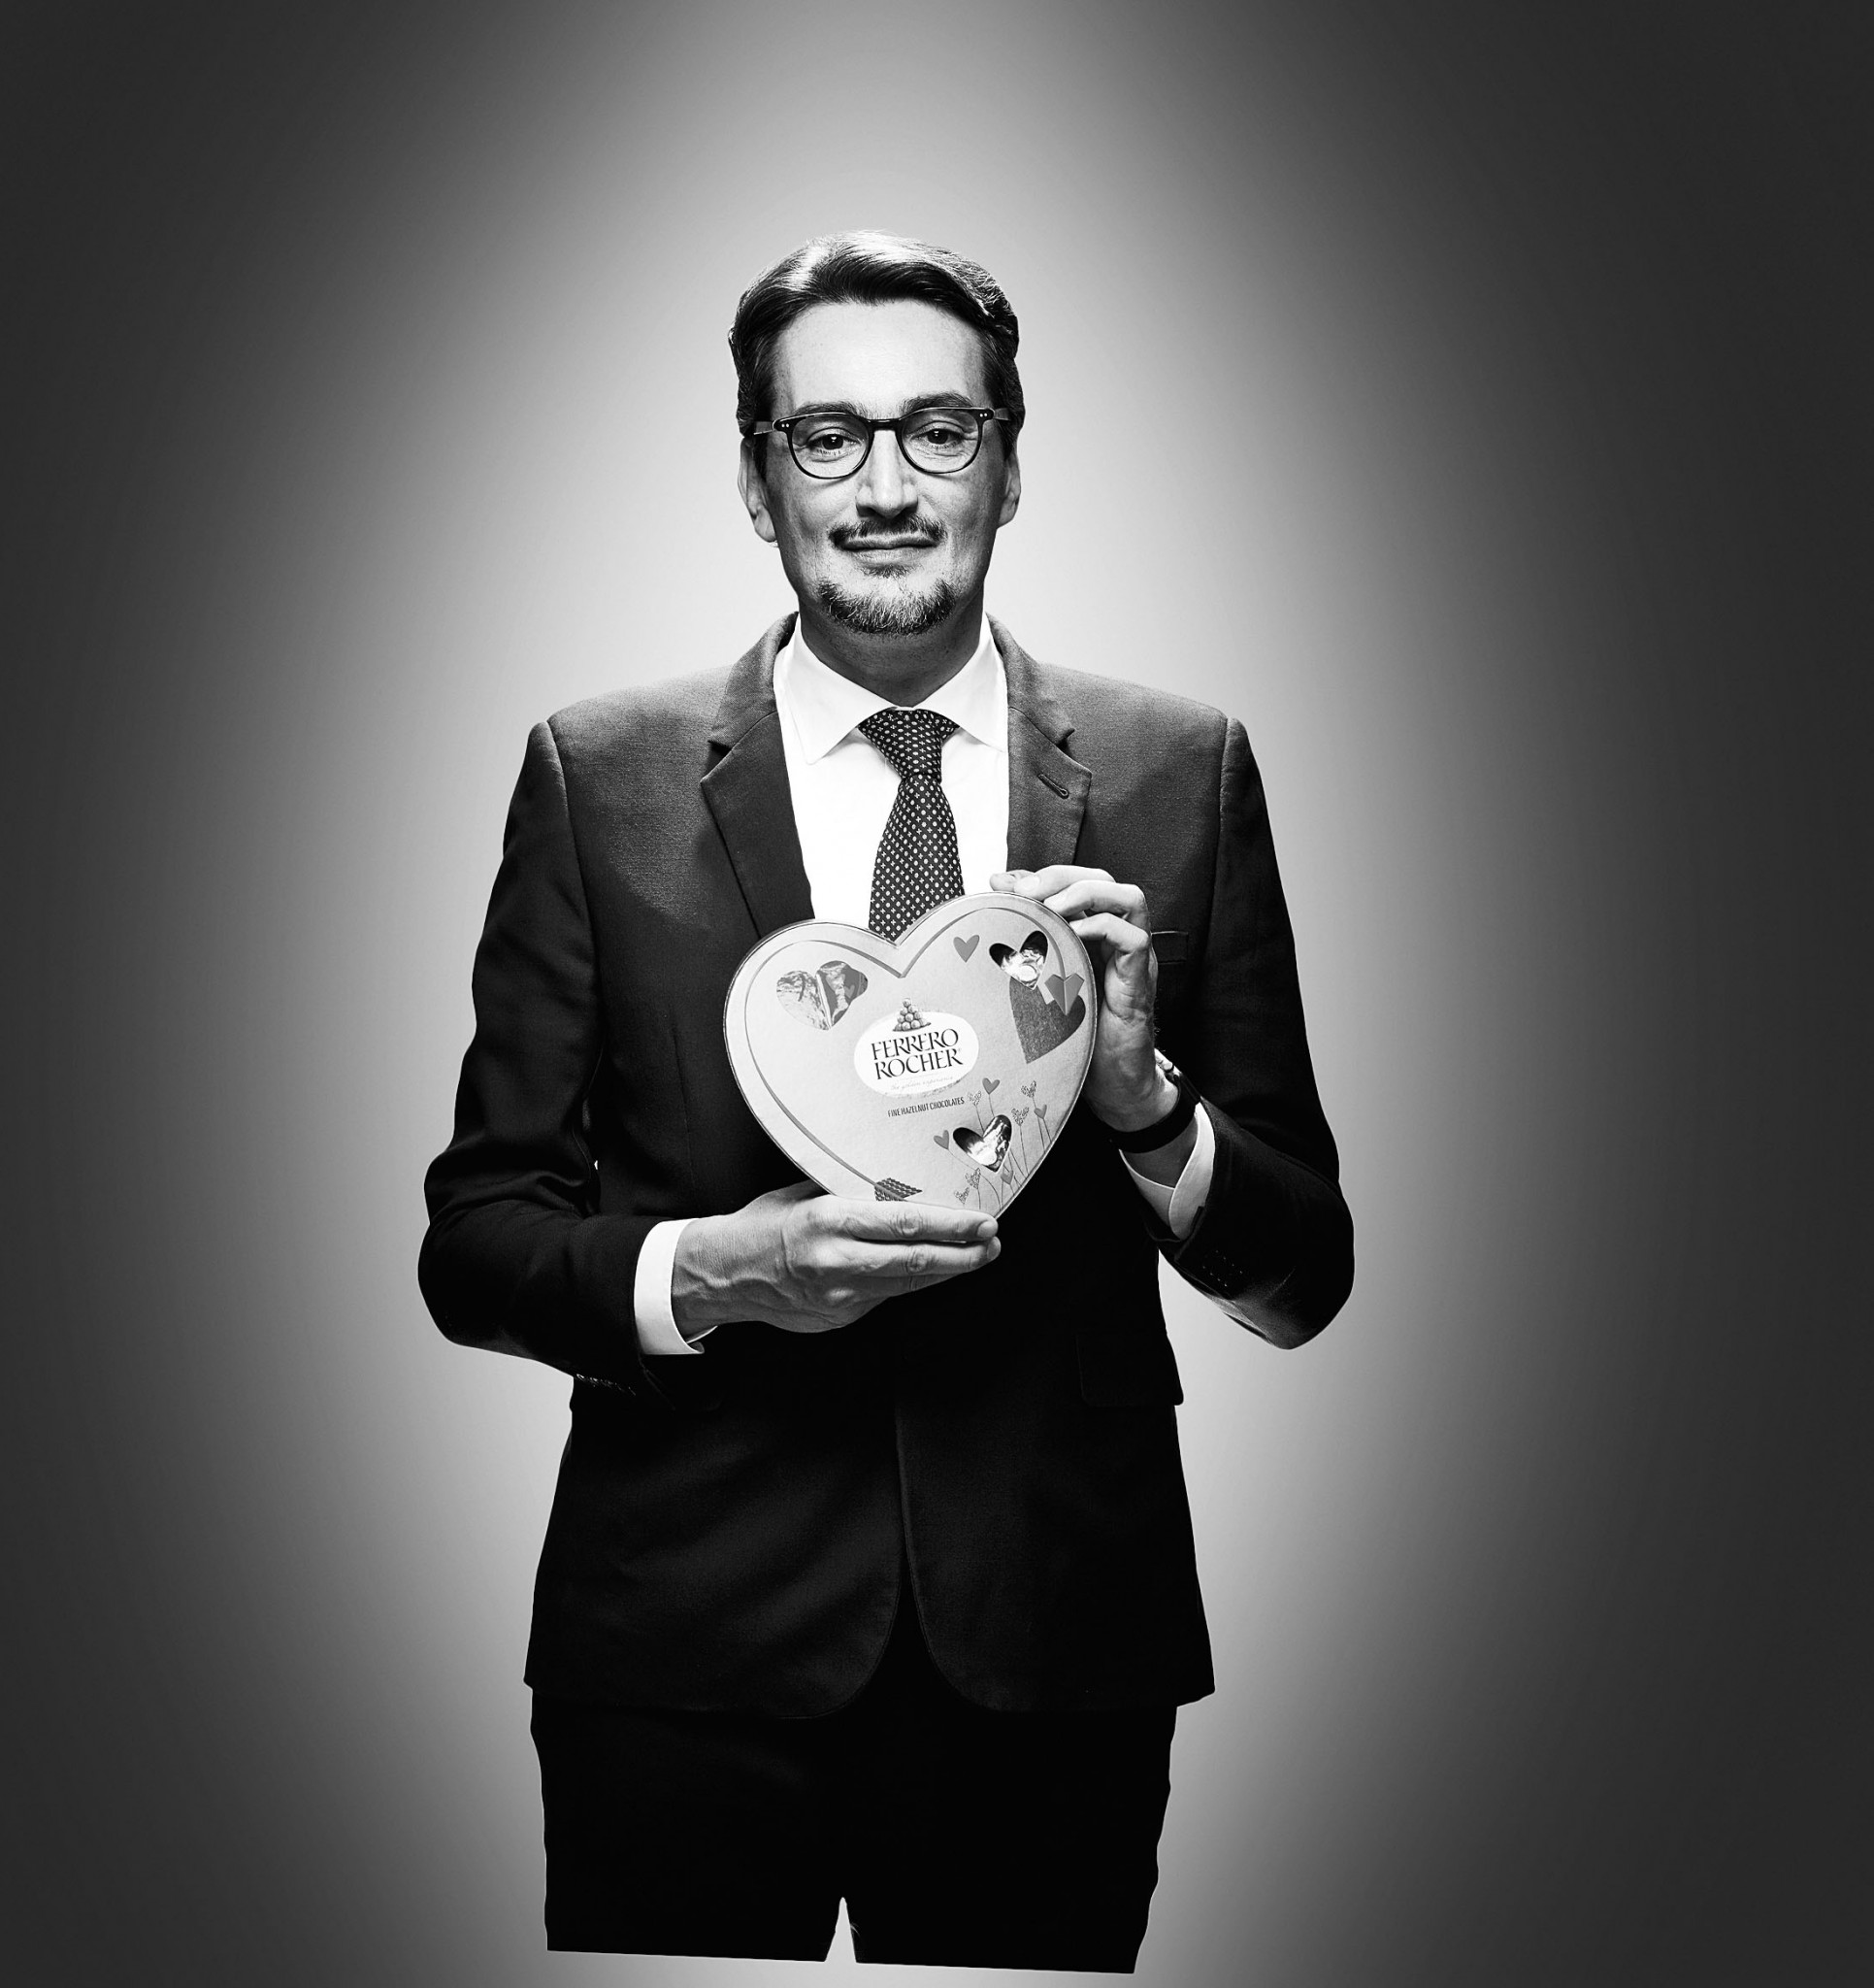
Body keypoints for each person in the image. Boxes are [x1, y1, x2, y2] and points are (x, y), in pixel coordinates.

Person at [419, 231, 1353, 1971]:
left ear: (1009, 461)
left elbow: (1306, 1280)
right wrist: (719, 1274)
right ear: (756, 478)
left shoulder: (1183, 774)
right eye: (826, 436)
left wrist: (1144, 1109)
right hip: (683, 1654)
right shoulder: (597, 778)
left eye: (937, 430)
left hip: (1055, 1656)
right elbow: (474, 1244)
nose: (885, 488)